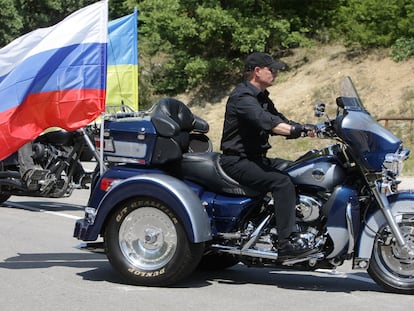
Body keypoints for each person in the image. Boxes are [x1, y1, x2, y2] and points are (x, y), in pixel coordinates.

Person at [220, 52, 316, 259]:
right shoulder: (242, 97)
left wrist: (307, 128)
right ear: (257, 71)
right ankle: (285, 243)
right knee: (281, 183)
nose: (275, 73)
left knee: (299, 169)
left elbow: (278, 119)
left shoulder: (261, 97)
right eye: (271, 69)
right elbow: (265, 121)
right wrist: (294, 130)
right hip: (237, 160)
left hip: (256, 158)